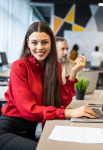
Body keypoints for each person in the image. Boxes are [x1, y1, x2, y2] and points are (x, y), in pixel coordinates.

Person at [0, 22, 97, 150]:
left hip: (29, 132)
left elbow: (59, 101)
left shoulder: (55, 66)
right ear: (28, 43)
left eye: (44, 42)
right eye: (34, 42)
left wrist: (74, 72)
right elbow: (29, 111)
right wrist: (69, 113)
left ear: (51, 43)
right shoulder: (19, 66)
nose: (39, 47)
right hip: (9, 131)